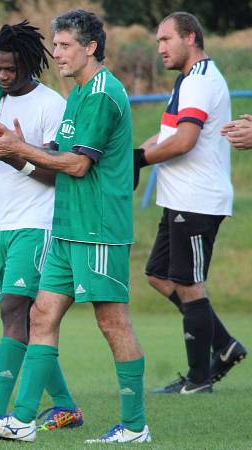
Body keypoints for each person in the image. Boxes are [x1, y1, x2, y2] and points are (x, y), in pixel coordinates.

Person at [0, 10, 151, 443]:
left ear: (90, 48)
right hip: (68, 229)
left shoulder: (104, 95)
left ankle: (135, 425)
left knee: (113, 325)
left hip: (99, 229)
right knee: (41, 314)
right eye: (55, 45)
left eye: (65, 45)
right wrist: (8, 148)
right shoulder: (78, 94)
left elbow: (75, 162)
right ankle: (23, 420)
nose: (57, 53)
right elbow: (55, 149)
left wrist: (19, 148)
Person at [0, 21, 83, 433]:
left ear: (29, 64)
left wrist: (16, 154)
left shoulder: (52, 106)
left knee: (15, 307)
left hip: (38, 223)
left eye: (10, 69)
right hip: (2, 224)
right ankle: (65, 406)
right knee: (19, 316)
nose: (2, 76)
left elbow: (54, 173)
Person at [136, 12, 245, 394]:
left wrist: (142, 160)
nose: (160, 48)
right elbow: (167, 133)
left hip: (198, 200)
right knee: (158, 275)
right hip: (179, 198)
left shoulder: (199, 82)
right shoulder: (187, 81)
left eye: (166, 40)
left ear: (191, 38)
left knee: (189, 284)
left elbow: (184, 142)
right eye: (158, 42)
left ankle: (199, 379)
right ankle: (225, 344)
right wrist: (136, 154)